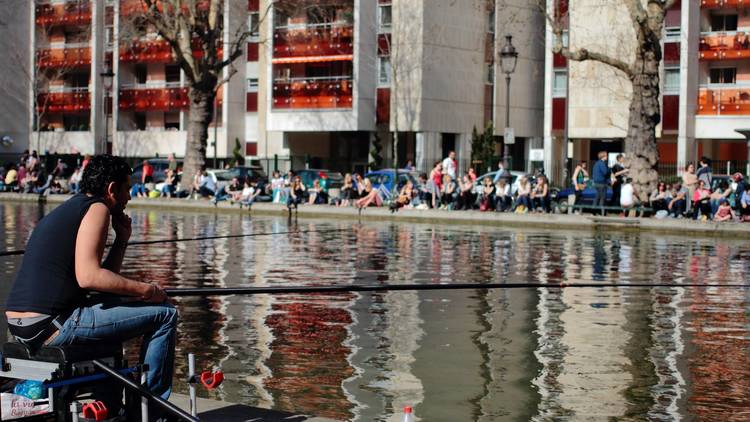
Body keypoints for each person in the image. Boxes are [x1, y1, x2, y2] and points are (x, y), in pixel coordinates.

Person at [4, 155, 177, 407]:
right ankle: (155, 411)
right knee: (165, 314)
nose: (129, 196)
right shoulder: (98, 208)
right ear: (111, 189)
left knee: (112, 306)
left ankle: (108, 404)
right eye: (127, 188)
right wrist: (148, 290)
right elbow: (89, 277)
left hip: (21, 325)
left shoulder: (73, 206)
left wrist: (122, 239)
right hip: (51, 324)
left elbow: (98, 282)